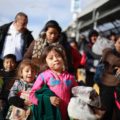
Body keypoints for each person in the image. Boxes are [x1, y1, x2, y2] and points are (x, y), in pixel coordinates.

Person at [29, 45, 78, 120]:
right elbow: (32, 95)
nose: (55, 59)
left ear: (63, 59)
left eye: (58, 56)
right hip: (50, 115)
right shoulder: (43, 76)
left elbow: (77, 95)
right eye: (51, 58)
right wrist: (48, 100)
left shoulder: (71, 78)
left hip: (67, 116)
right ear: (46, 62)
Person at [99, 36, 120, 120]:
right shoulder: (108, 51)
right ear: (115, 43)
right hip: (108, 86)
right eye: (119, 42)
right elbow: (115, 61)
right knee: (106, 111)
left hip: (118, 87)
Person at [0, 54, 17, 119]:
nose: (9, 64)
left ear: (15, 63)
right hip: (2, 99)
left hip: (12, 98)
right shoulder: (1, 73)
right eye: (7, 62)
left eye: (12, 62)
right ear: (3, 63)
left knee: (10, 115)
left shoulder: (17, 73)